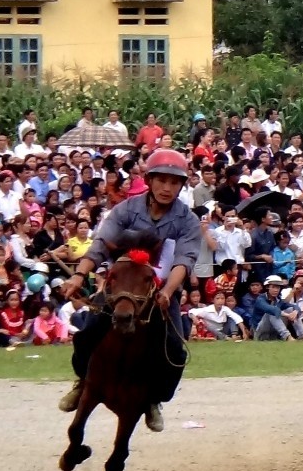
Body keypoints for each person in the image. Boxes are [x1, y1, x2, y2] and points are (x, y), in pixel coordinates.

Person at [57, 149, 200, 433]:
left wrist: (168, 292)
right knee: (87, 333)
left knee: (174, 350)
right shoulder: (125, 210)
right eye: (161, 181)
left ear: (182, 186)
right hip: (120, 288)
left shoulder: (187, 220)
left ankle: (153, 400)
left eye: (174, 183)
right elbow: (100, 246)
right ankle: (82, 380)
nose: (167, 188)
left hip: (160, 292)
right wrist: (79, 276)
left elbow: (184, 261)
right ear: (149, 180)